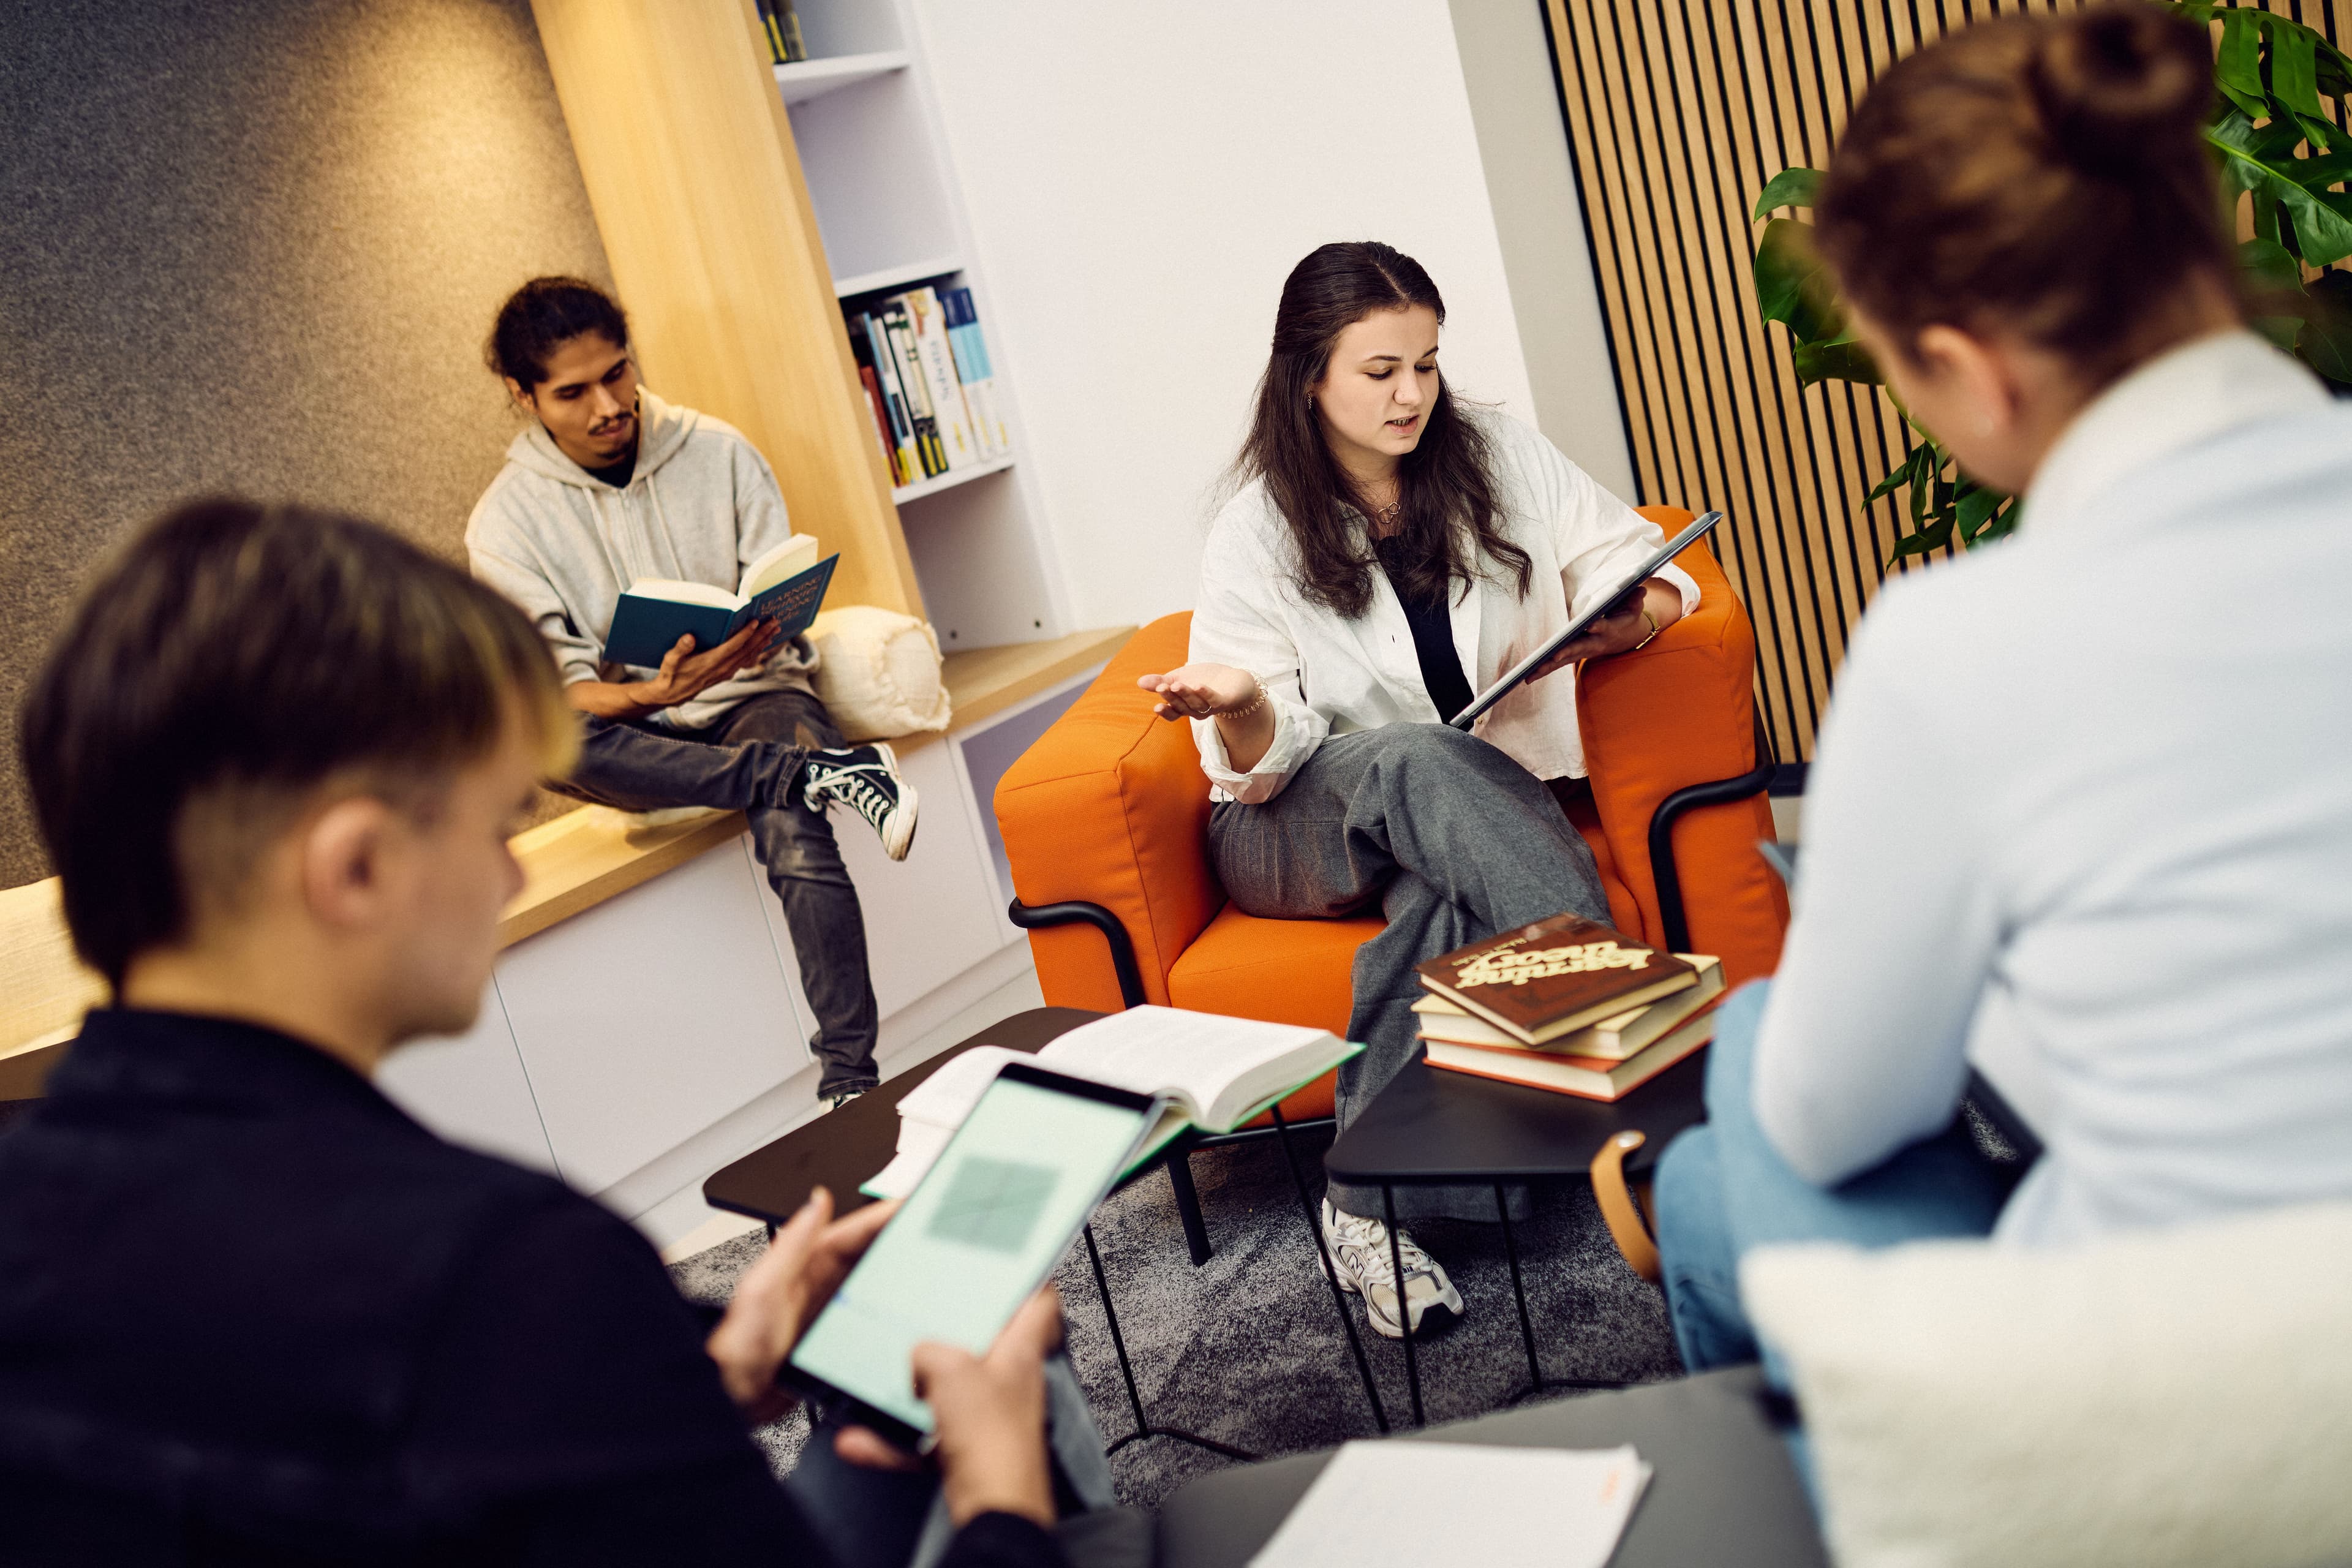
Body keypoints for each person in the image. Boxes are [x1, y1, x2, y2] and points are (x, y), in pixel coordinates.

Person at [0, 500, 1111, 1565]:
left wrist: (701, 1371)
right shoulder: (509, 1273)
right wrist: (1000, 1493)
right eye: (491, 825)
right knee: (1008, 1374)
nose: (513, 870)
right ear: (357, 868)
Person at [1651, 5, 2352, 1378]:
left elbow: (1829, 1128)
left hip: (2213, 1407)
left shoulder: (1954, 647)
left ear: (1970, 372)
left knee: (1740, 1087)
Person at [1137, 241, 1700, 1338]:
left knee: (1441, 885)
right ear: (1310, 377)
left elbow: (1638, 557)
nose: (1413, 396)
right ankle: (1627, 1056)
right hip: (1288, 823)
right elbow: (1258, 763)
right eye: (1381, 371)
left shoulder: (1491, 454)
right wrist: (1239, 698)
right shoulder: (1257, 528)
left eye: (1429, 366)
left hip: (1450, 820)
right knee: (1412, 754)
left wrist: (1639, 615)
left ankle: (1365, 1205)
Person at [469, 276, 911, 1109]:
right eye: (574, 391)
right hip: (646, 734)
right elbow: (557, 694)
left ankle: (851, 1084)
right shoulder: (505, 525)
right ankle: (809, 772)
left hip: (756, 696)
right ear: (521, 396)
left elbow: (779, 586)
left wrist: (757, 635)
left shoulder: (720, 451)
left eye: (618, 374)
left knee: (794, 838)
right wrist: (649, 694)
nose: (609, 405)